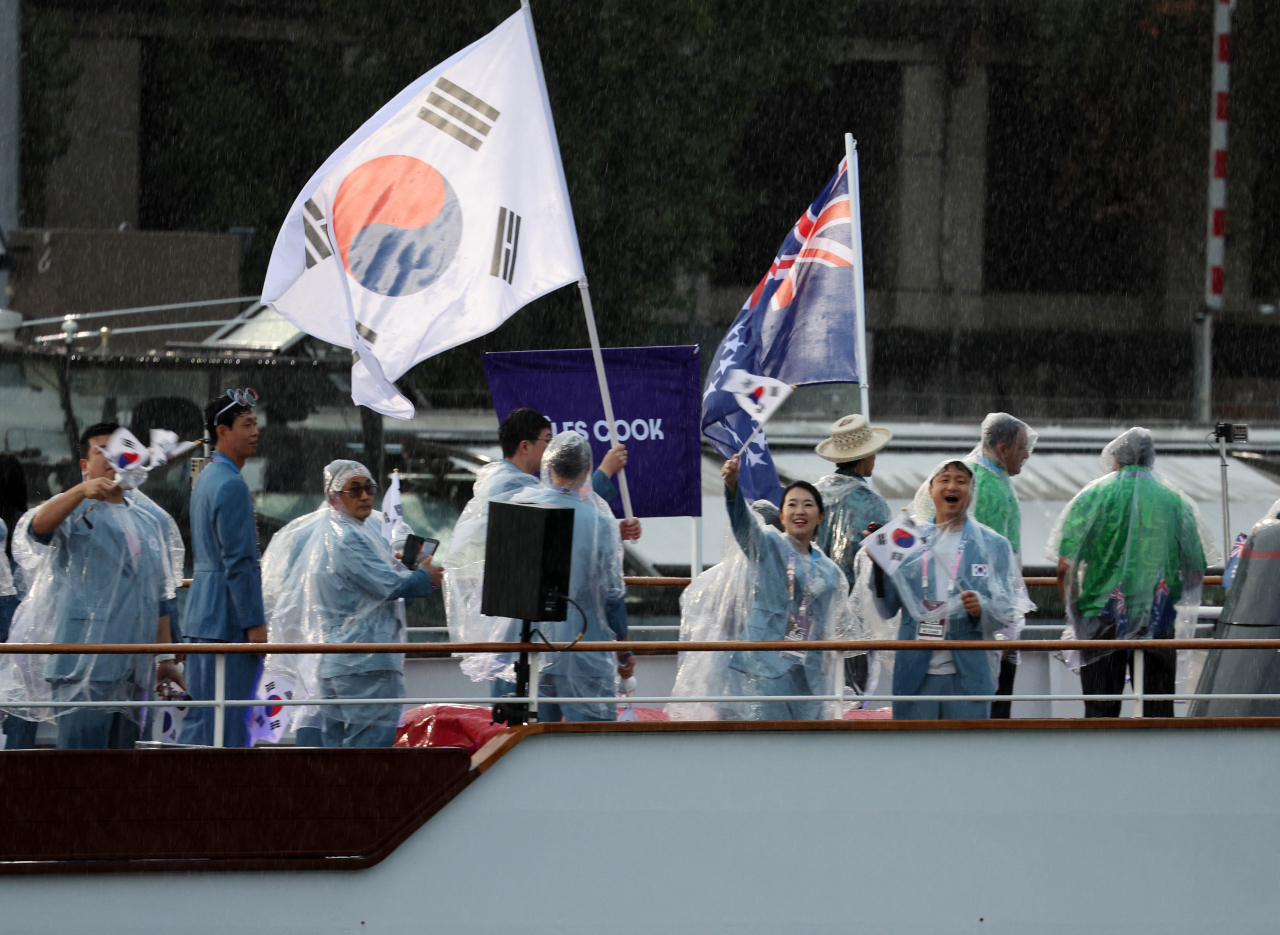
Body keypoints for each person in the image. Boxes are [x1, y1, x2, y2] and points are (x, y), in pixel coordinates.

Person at [0, 423, 180, 748]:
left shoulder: (149, 521)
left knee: (123, 777)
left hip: (134, 667)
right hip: (82, 666)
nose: (114, 459)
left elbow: (160, 594)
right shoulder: (73, 507)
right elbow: (37, 529)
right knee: (81, 773)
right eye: (103, 452)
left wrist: (165, 658)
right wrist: (80, 491)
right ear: (84, 465)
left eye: (122, 451)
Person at [442, 408, 638, 694]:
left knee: (533, 716)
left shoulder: (517, 487)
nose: (551, 448)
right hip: (551, 631)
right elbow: (563, 513)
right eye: (547, 440)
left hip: (531, 632)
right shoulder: (515, 489)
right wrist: (603, 480)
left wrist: (607, 529)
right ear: (525, 446)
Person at [261, 460, 440, 747]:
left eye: (368, 488)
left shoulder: (328, 530)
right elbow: (391, 585)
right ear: (334, 496)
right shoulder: (349, 537)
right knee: (367, 755)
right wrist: (425, 577)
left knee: (337, 755)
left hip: (335, 663)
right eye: (354, 490)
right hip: (365, 662)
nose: (365, 496)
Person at [1049, 427, 1216, 718]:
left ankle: (1102, 762)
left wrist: (1078, 617)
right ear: (1150, 458)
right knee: (1157, 712)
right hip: (1157, 615)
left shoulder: (1092, 496)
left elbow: (1065, 568)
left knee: (1101, 712)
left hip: (1100, 616)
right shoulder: (1174, 500)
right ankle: (1155, 762)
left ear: (1115, 458)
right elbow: (1194, 568)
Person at [857, 460, 1021, 720]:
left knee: (966, 754)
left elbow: (1008, 611)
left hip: (970, 674)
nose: (952, 486)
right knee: (914, 755)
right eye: (944, 479)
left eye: (961, 480)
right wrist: (879, 568)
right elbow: (886, 609)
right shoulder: (906, 538)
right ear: (930, 490)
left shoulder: (993, 544)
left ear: (971, 490)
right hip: (914, 674)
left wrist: (983, 607)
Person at [510, 432, 631, 721]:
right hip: (584, 642)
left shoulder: (521, 507)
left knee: (536, 741)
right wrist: (624, 649)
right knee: (593, 744)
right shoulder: (599, 522)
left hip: (533, 644)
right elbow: (613, 595)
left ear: (549, 466)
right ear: (588, 469)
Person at [719, 455, 848, 720]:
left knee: (807, 749)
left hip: (808, 672)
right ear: (782, 515)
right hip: (764, 664)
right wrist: (732, 487)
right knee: (764, 745)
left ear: (820, 516)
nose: (800, 511)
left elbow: (826, 624)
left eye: (808, 505)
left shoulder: (831, 571)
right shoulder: (768, 544)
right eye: (792, 504)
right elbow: (744, 525)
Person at [180, 391, 267, 747]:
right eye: (246, 425)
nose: (255, 431)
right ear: (222, 431)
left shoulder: (207, 478)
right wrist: (255, 623)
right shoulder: (231, 483)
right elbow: (239, 562)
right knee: (229, 726)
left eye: (256, 424)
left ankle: (186, 795)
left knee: (202, 720)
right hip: (227, 620)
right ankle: (218, 800)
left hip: (202, 615)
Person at [813, 414, 892, 697]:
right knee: (852, 700)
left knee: (814, 696)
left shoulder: (810, 498)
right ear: (864, 456)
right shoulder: (875, 505)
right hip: (855, 620)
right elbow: (886, 566)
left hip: (812, 615)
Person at [964, 412, 1038, 718]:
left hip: (978, 609)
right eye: (1023, 448)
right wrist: (1002, 616)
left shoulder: (976, 476)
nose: (1027, 455)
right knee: (994, 700)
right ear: (1004, 448)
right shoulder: (990, 486)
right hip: (988, 614)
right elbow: (993, 562)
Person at [0, 453, 37, 748]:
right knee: (20, 691)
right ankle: (17, 757)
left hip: (7, 607)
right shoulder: (26, 524)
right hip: (21, 617)